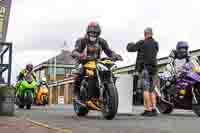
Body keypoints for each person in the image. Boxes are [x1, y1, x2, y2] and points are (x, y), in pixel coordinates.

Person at [72, 21, 123, 103]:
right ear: (88, 32)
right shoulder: (82, 41)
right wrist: (80, 55)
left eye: (95, 33)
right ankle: (76, 94)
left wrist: (115, 55)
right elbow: (75, 51)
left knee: (108, 71)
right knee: (79, 72)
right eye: (91, 32)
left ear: (98, 33)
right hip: (83, 61)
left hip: (96, 62)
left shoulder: (101, 41)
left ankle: (107, 91)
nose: (93, 34)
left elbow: (108, 51)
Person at [126, 27, 159, 116]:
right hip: (155, 69)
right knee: (152, 91)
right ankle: (153, 109)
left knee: (146, 90)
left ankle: (148, 110)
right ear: (152, 34)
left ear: (145, 34)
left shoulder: (142, 42)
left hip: (146, 69)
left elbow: (131, 49)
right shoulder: (156, 44)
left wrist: (130, 44)